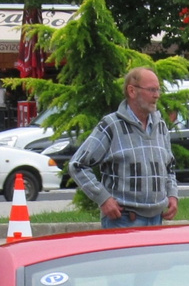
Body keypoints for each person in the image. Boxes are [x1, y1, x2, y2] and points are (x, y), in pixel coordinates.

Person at [69, 67, 179, 229]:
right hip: (123, 220)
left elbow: (169, 167)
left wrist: (172, 194)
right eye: (151, 90)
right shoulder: (111, 125)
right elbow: (77, 165)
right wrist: (104, 199)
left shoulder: (160, 126)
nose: (157, 95)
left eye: (158, 90)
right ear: (132, 91)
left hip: (157, 220)